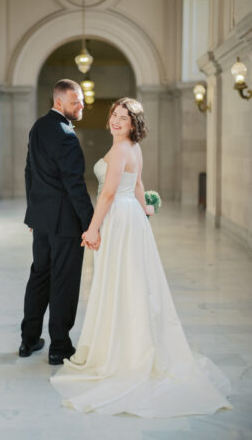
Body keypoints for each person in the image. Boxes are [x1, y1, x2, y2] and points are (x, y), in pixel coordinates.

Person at [50, 98, 232, 417]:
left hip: (118, 218)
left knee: (123, 283)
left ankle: (124, 352)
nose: (117, 121)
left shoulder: (122, 149)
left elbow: (107, 193)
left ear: (134, 124)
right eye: (114, 115)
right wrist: (144, 209)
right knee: (132, 282)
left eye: (124, 118)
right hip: (130, 217)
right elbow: (139, 184)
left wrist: (92, 229)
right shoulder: (132, 147)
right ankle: (131, 341)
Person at [19, 79, 100, 366]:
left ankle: (28, 340)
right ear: (59, 102)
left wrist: (33, 212)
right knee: (64, 282)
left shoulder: (38, 127)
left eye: (81, 101)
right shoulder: (66, 135)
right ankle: (59, 346)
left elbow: (30, 171)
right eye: (75, 101)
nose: (82, 106)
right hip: (65, 223)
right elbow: (74, 185)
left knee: (40, 275)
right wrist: (91, 225)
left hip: (41, 221)